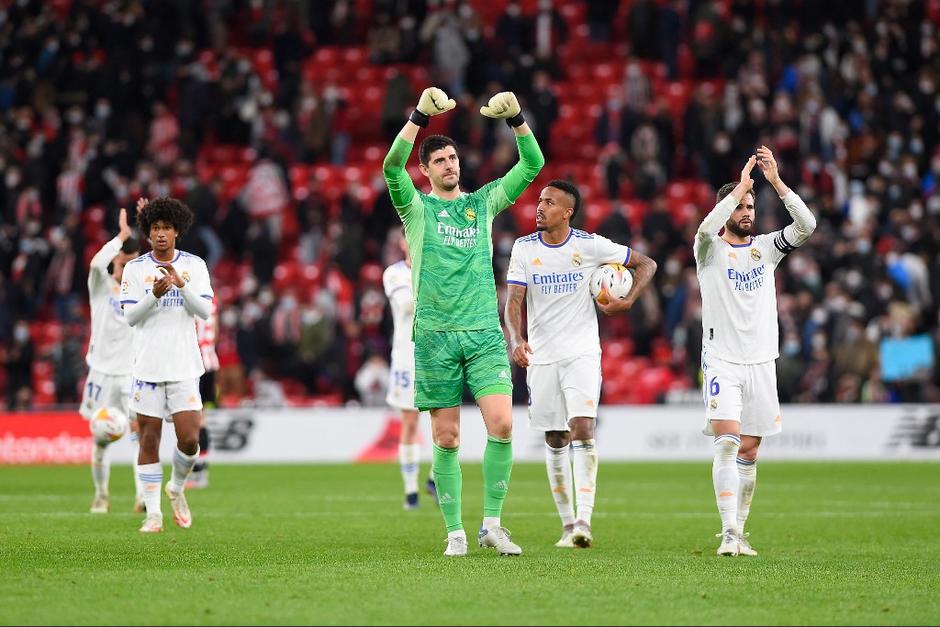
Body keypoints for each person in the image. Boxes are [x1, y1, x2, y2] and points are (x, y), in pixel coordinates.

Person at [382, 86, 544, 556]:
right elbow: (392, 166)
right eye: (440, 160)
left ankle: (491, 524)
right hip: (433, 336)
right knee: (446, 436)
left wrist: (517, 120)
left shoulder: (484, 203)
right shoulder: (416, 208)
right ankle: (454, 530)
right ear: (427, 170)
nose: (450, 164)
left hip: (482, 333)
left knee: (502, 425)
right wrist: (416, 117)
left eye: (453, 158)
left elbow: (532, 166)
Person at [504, 180, 657, 548]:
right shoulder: (523, 249)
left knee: (582, 428)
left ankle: (584, 521)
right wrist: (516, 338)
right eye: (540, 201)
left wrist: (628, 300)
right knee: (555, 437)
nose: (540, 207)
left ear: (567, 212)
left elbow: (646, 264)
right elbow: (513, 303)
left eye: (549, 202)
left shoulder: (590, 246)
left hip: (582, 353)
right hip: (542, 357)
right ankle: (567, 525)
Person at [694, 147, 816, 556]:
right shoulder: (708, 251)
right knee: (728, 441)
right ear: (726, 208)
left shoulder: (767, 248)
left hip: (762, 361)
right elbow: (703, 230)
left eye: (750, 204)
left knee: (750, 448)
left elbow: (807, 224)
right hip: (722, 360)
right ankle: (728, 533)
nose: (747, 210)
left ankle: (740, 531)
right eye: (741, 205)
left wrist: (776, 183)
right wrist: (737, 188)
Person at [121, 197, 214, 533]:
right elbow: (130, 316)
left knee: (189, 440)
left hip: (184, 366)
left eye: (166, 228)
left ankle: (176, 487)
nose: (161, 234)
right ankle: (154, 514)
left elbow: (204, 311)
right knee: (148, 439)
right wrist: (154, 295)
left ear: (177, 231)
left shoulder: (195, 265)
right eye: (155, 228)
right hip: (147, 367)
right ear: (148, 233)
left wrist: (181, 284)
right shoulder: (136, 269)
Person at [82, 206, 142, 513]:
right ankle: (102, 495)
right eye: (123, 263)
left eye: (133, 265)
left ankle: (142, 496)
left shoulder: (143, 293)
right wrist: (119, 239)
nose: (127, 270)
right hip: (102, 374)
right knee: (101, 439)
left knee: (140, 437)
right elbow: (96, 263)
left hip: (132, 375)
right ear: (116, 262)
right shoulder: (100, 287)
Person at [383, 232, 437, 509]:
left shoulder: (438, 268)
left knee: (443, 420)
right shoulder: (394, 274)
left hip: (438, 354)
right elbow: (406, 307)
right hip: (406, 357)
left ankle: (433, 479)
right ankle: (411, 492)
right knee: (410, 422)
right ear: (403, 243)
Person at [187, 298, 218, 489]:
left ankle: (198, 471)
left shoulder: (190, 299)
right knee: (200, 418)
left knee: (194, 419)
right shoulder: (212, 301)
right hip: (210, 360)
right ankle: (200, 469)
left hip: (195, 364)